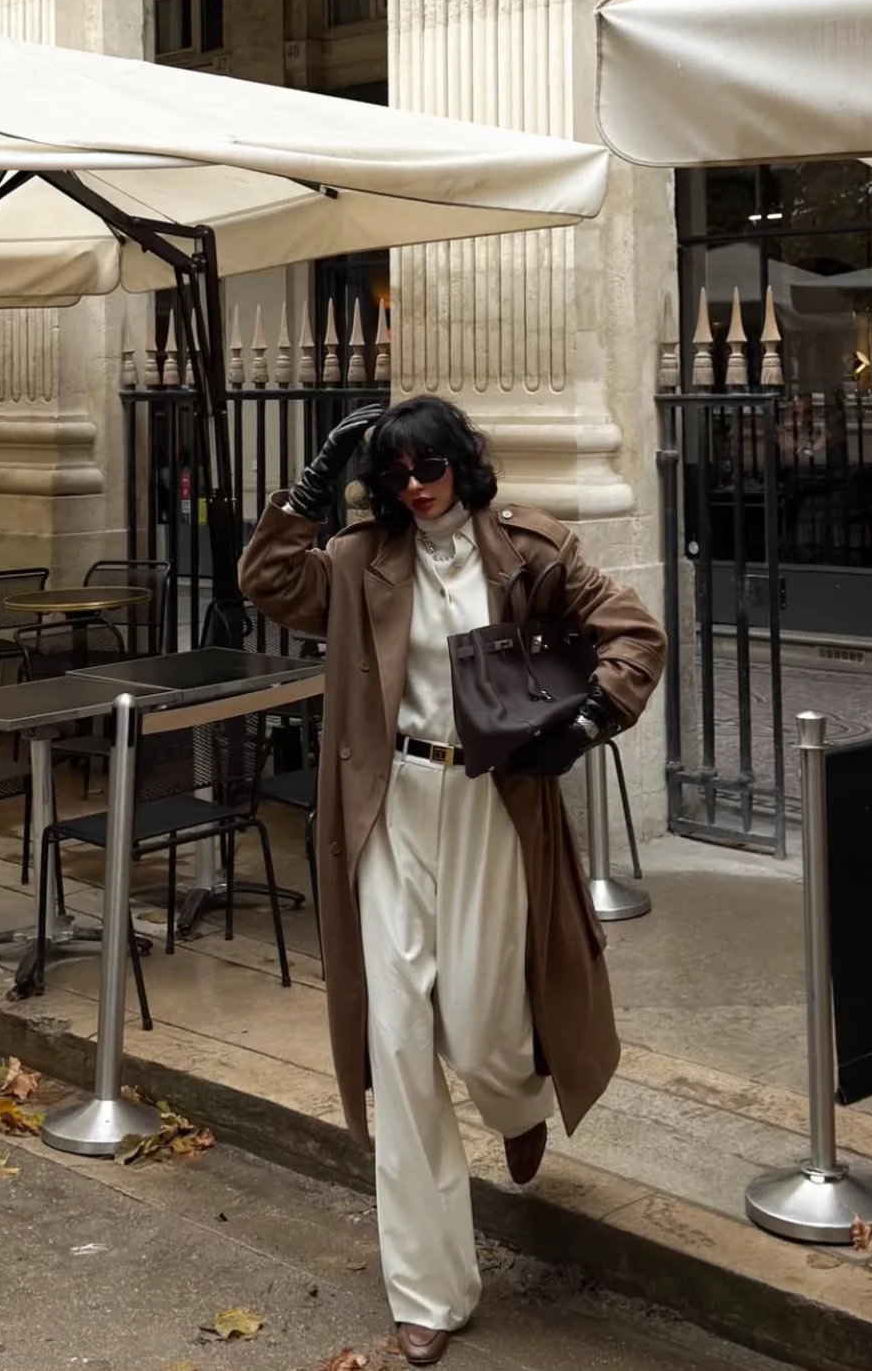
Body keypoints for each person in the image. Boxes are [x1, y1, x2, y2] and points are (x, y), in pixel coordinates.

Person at [238, 396, 665, 1365]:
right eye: (395, 475)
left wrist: (589, 721)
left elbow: (634, 635)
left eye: (429, 468)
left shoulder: (527, 550)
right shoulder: (358, 560)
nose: (415, 488)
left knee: (478, 1025)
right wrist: (308, 490)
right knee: (396, 1045)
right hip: (388, 807)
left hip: (490, 805)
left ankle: (516, 1107)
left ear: (461, 464)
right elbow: (267, 580)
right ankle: (429, 1290)